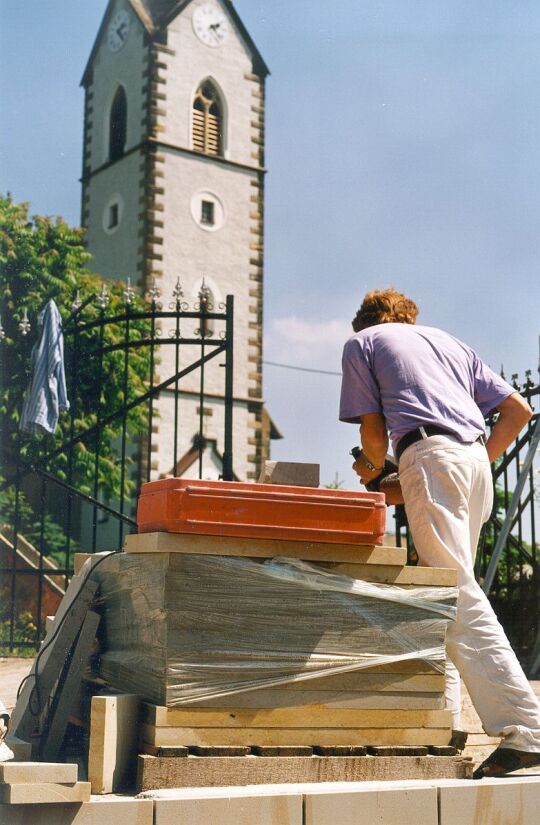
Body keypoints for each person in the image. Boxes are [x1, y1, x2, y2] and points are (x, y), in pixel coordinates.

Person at [339, 287, 540, 779]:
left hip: (431, 455)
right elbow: (518, 412)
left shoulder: (363, 344)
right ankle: (444, 722)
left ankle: (527, 733)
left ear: (364, 321)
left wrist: (371, 469)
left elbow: (372, 437)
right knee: (446, 595)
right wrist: (442, 465)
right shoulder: (450, 343)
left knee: (454, 594)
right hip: (473, 462)